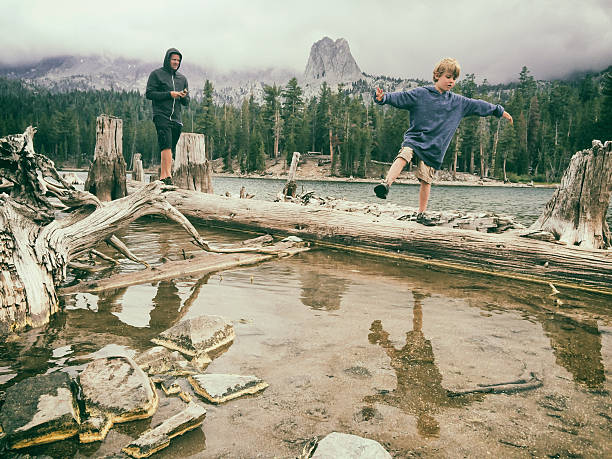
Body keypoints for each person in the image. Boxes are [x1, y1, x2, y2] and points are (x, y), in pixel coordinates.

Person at [373, 58, 513, 225]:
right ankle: (386, 184)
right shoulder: (421, 94)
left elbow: (479, 106)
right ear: (437, 76)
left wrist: (499, 111)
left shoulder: (458, 102)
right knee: (405, 153)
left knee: (426, 180)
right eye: (448, 77)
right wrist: (383, 98)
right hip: (416, 138)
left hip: (434, 148)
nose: (451, 81)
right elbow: (400, 97)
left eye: (454, 78)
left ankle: (422, 214)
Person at [146, 47, 190, 185]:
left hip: (176, 118)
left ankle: (163, 176)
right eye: (173, 59)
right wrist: (169, 94)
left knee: (170, 146)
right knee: (166, 145)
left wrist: (182, 96)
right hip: (161, 115)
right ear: (167, 59)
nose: (176, 62)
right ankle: (167, 176)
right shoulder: (157, 74)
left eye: (178, 60)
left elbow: (187, 102)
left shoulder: (182, 79)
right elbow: (149, 94)